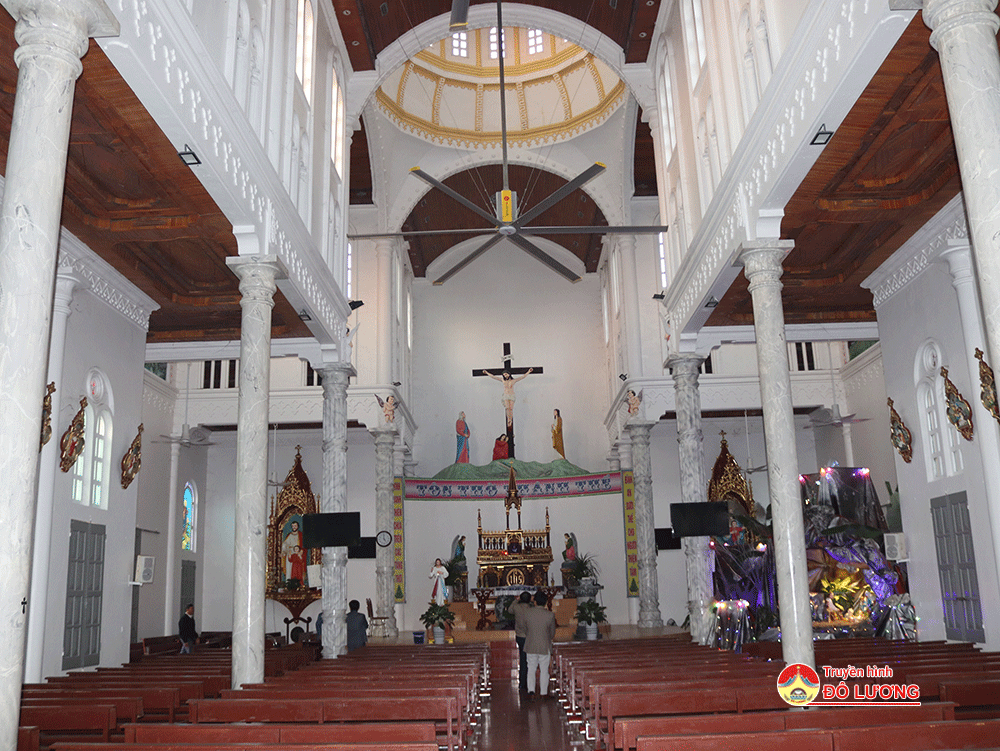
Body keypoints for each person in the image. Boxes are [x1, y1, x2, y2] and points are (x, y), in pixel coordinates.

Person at [522, 590, 557, 699]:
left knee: (531, 669)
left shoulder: (527, 613)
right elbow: (552, 632)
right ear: (545, 602)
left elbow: (525, 629)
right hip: (544, 645)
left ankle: (531, 692)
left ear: (535, 601)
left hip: (531, 644)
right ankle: (543, 693)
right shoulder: (550, 615)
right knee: (544, 670)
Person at [509, 591, 533, 691]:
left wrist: (516, 600)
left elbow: (509, 610)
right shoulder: (532, 609)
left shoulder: (516, 607)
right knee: (530, 660)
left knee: (523, 659)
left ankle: (522, 682)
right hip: (530, 636)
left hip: (520, 636)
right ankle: (529, 681)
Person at [282, 519, 303, 584]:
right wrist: (284, 550)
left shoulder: (300, 534)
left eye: (295, 526)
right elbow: (285, 543)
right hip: (290, 552)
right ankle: (288, 582)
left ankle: (297, 582)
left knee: (296, 569)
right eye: (293, 526)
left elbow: (303, 545)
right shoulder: (289, 535)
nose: (294, 527)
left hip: (297, 552)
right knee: (289, 568)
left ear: (297, 526)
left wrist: (301, 552)